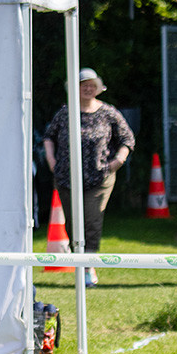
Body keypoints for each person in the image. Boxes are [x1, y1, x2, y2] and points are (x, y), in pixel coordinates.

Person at [43, 68, 135, 288]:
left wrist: (118, 160)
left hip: (99, 177)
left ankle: (88, 266)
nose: (87, 88)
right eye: (83, 84)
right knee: (74, 223)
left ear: (98, 88)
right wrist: (51, 160)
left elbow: (127, 138)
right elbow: (49, 136)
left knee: (91, 220)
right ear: (74, 88)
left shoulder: (108, 112)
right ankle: (79, 263)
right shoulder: (65, 112)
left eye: (91, 84)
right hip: (67, 178)